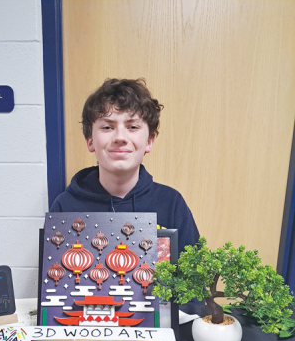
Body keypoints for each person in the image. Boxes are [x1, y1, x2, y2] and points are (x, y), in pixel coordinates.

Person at [50, 78, 199, 254]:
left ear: (149, 142)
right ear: (90, 141)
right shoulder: (65, 206)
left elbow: (195, 279)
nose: (120, 137)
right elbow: (53, 278)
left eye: (132, 127)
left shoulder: (172, 204)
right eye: (107, 127)